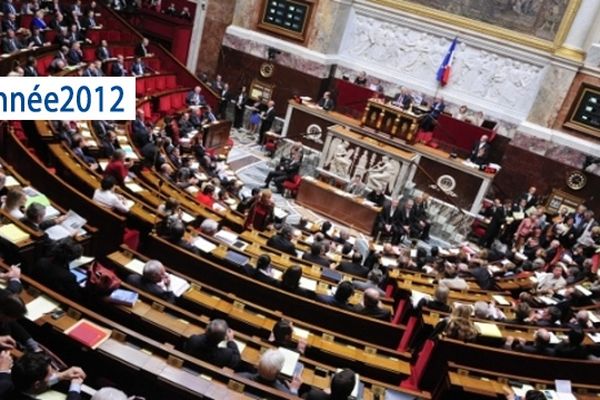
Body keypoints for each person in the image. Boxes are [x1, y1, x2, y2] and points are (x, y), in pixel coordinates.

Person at [11, 353, 86, 400]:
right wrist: (75, 386)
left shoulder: (15, 382)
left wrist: (63, 375)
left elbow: (43, 382)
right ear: (37, 384)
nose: (55, 374)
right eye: (51, 375)